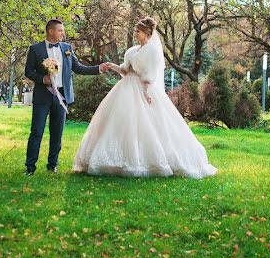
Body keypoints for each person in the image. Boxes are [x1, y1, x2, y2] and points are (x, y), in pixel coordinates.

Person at [73, 16, 216, 179]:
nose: (135, 33)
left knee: (146, 125)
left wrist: (147, 91)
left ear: (147, 33)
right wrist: (111, 66)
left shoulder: (153, 50)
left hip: (142, 89)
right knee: (121, 124)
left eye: (138, 31)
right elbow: (125, 70)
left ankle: (148, 160)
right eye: (135, 30)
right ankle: (119, 159)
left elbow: (151, 74)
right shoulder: (132, 50)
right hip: (125, 88)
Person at [23, 19, 116, 175]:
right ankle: (30, 167)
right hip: (43, 96)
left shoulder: (67, 48)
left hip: (62, 96)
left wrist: (98, 68)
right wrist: (42, 78)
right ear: (50, 31)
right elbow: (28, 71)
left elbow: (78, 68)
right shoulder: (35, 49)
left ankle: (53, 165)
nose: (63, 33)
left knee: (57, 132)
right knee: (37, 131)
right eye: (60, 30)